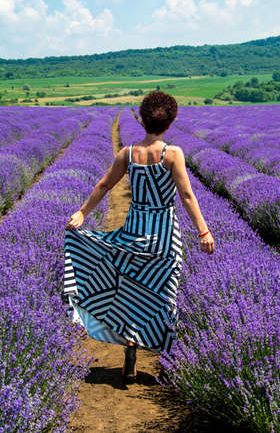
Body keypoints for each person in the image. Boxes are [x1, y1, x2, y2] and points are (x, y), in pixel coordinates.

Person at [64, 91, 214, 383]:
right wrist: (203, 231)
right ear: (170, 122)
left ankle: (130, 346)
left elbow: (104, 185)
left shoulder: (128, 153)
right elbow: (186, 195)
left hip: (135, 229)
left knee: (133, 290)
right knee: (164, 294)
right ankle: (169, 358)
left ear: (142, 119)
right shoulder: (173, 154)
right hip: (163, 235)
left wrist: (82, 213)